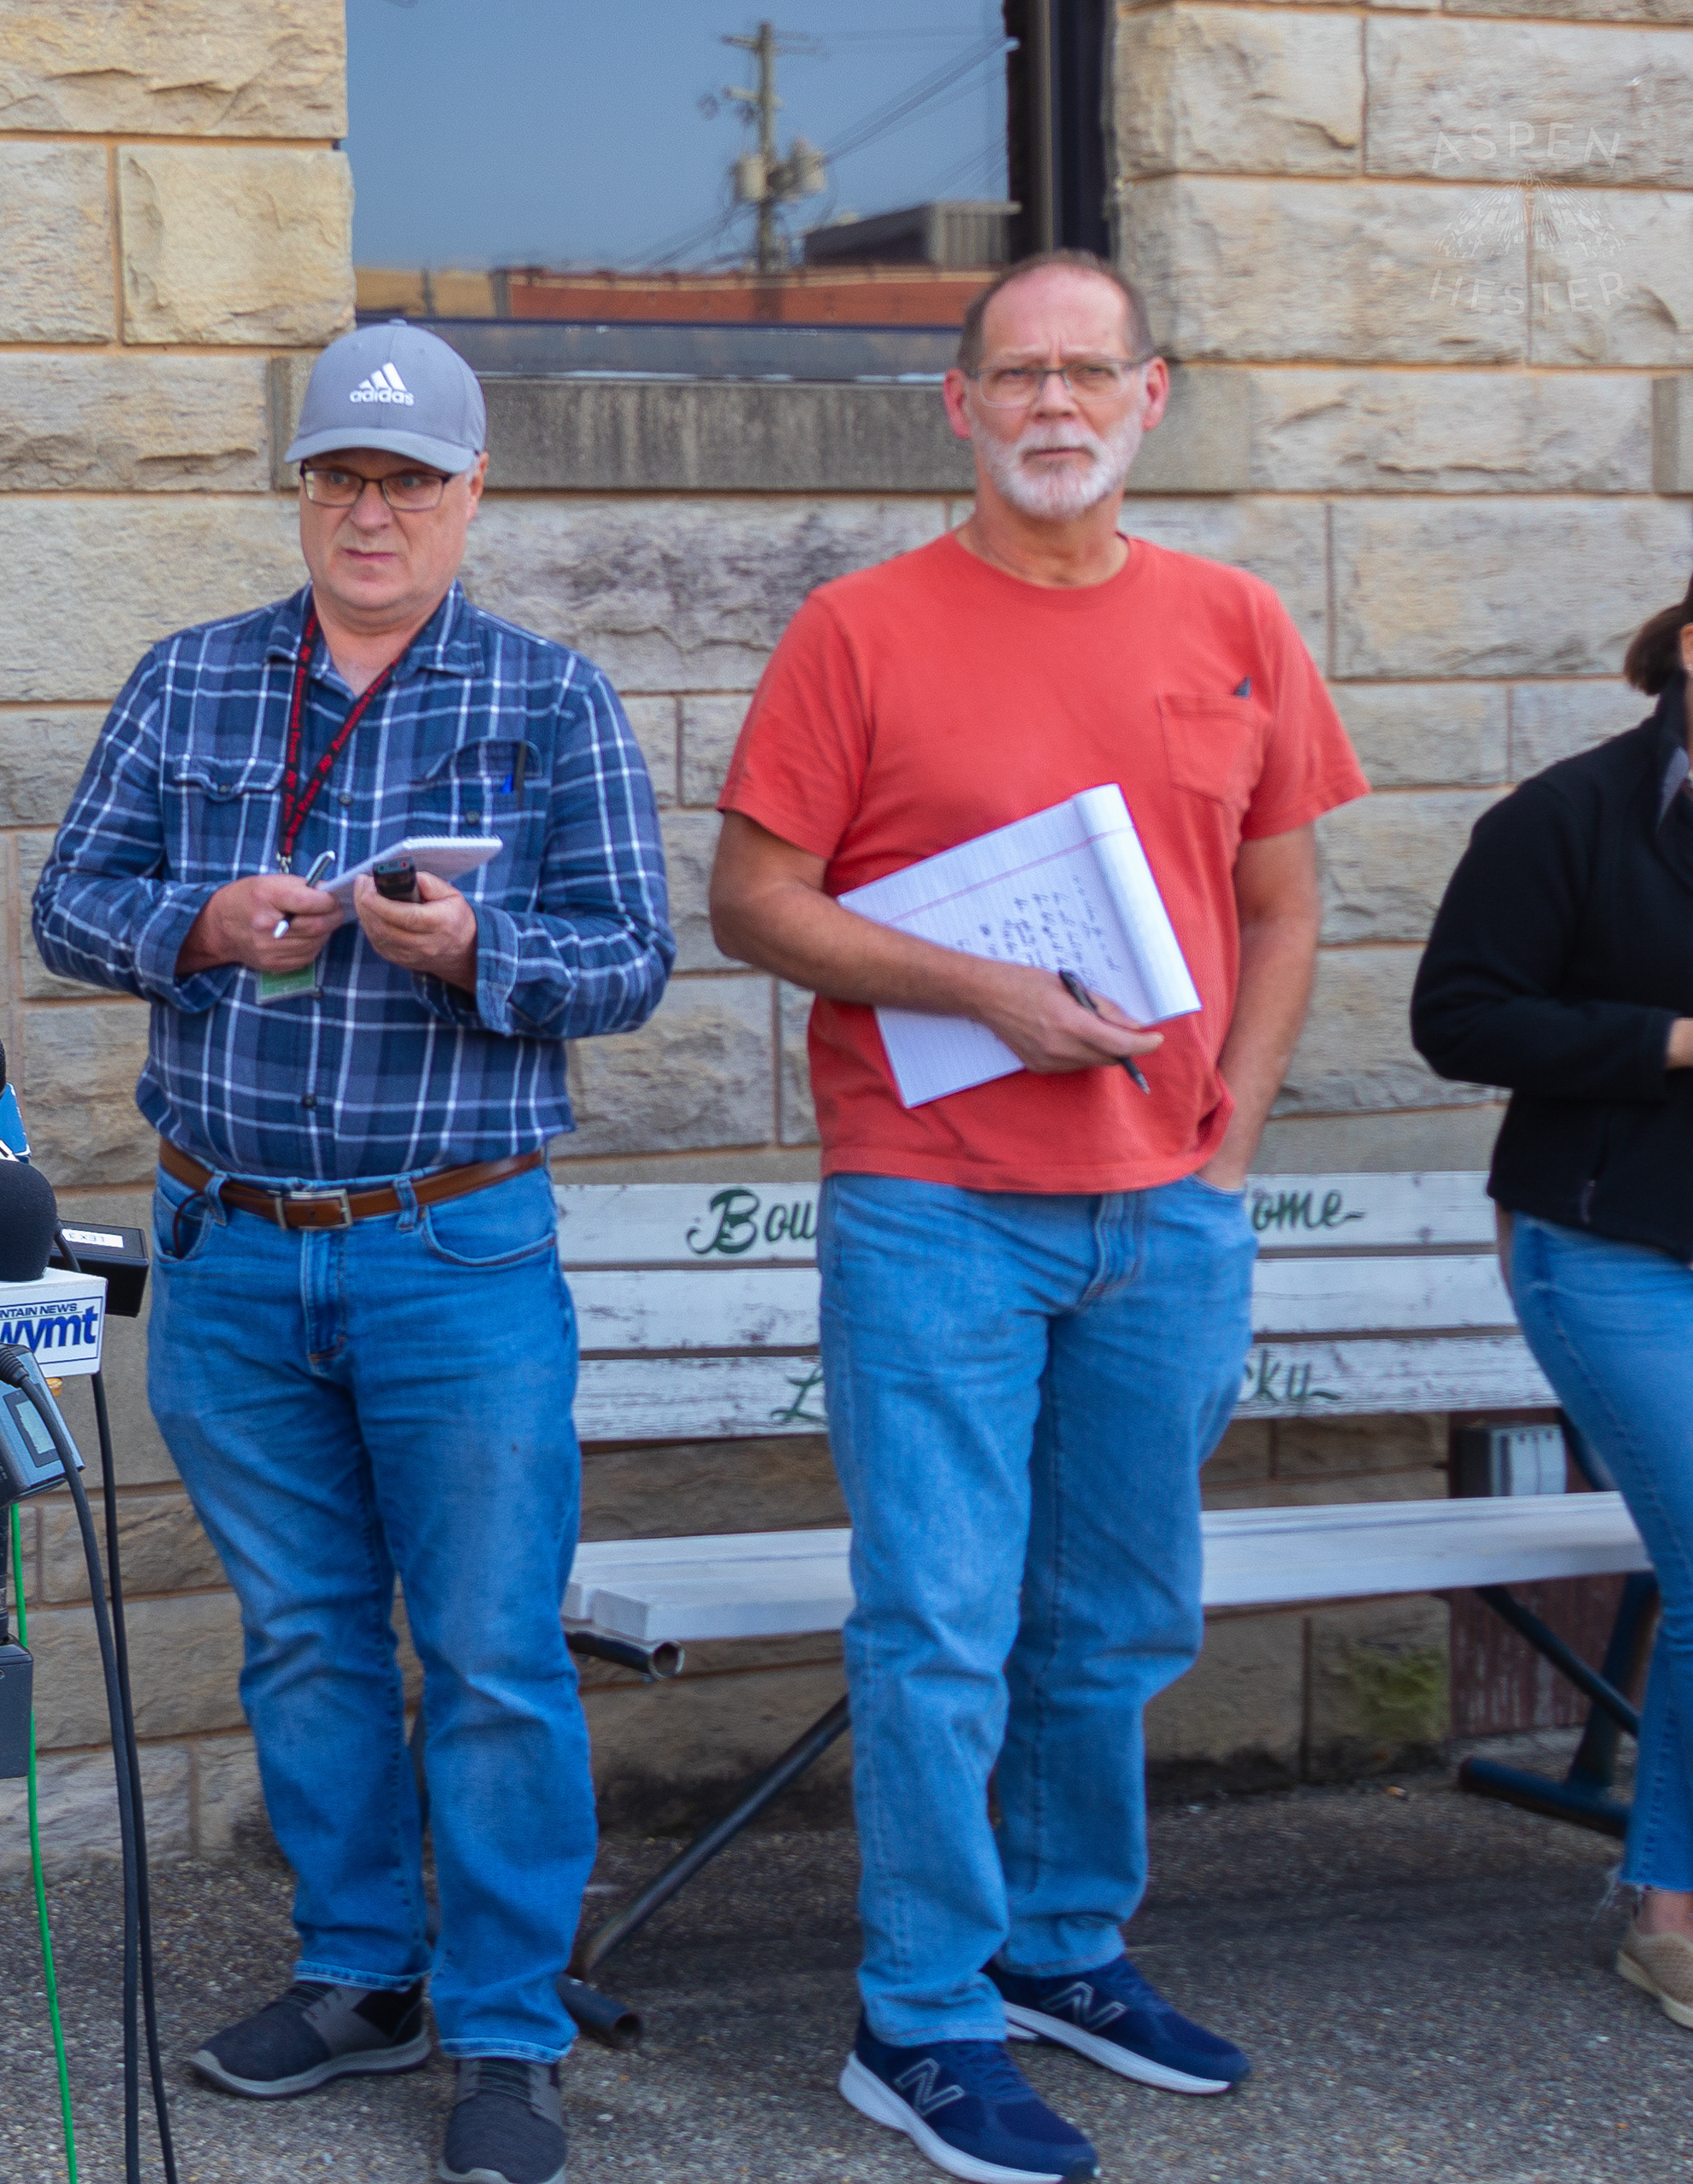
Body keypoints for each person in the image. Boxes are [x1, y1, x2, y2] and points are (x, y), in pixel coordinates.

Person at [709, 250, 1366, 2184]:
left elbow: (1285, 900)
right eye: (1021, 375)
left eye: (1092, 373)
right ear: (963, 405)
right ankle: (917, 2009)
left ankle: (1064, 1948)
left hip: (1165, 1211)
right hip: (937, 1210)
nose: (1057, 405)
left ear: (1149, 397)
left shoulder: (1236, 617)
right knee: (939, 1619)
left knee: (1120, 1615)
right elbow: (756, 901)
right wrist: (976, 990)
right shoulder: (862, 629)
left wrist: (1232, 1120)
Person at [32, 320, 673, 2184]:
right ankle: (358, 1969)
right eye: (339, 478)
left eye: (408, 480)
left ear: (474, 494)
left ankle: (504, 2025)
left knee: (486, 1649)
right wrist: (202, 923)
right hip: (229, 1247)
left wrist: (482, 959)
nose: (370, 510)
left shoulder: (551, 699)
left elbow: (630, 958)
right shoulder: (193, 678)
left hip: (453, 1251)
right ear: (302, 492)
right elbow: (73, 899)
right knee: (306, 1635)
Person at [1412, 577, 1693, 2041]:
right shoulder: (1567, 816)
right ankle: (1672, 1915)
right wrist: (1674, 1039)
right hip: (1612, 1245)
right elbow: (1457, 1015)